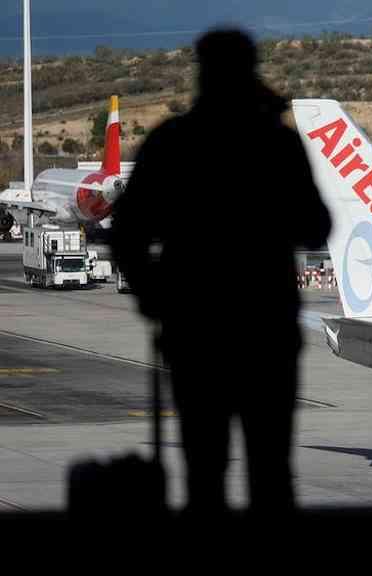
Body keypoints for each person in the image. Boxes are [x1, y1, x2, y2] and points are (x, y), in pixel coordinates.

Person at [111, 28, 331, 515]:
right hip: (265, 334)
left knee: (203, 471)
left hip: (196, 335)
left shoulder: (172, 142)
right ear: (251, 70)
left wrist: (155, 298)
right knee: (271, 473)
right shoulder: (276, 144)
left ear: (202, 72)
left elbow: (125, 235)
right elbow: (317, 229)